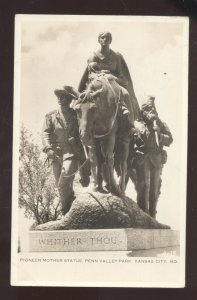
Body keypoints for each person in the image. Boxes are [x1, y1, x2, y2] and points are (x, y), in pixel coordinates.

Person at [42, 86, 90, 215]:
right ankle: (70, 208)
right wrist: (48, 149)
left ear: (69, 99)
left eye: (63, 96)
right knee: (61, 185)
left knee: (63, 182)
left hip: (72, 152)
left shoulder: (76, 115)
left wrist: (78, 138)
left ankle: (64, 212)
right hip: (56, 154)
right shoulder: (51, 115)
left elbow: (85, 128)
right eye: (58, 96)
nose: (59, 98)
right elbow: (45, 133)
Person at [79, 31, 140, 123]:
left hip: (113, 82)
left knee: (126, 94)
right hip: (96, 83)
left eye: (107, 38)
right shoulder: (93, 56)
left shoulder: (117, 56)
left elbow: (121, 75)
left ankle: (130, 125)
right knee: (82, 101)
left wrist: (112, 77)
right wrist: (102, 75)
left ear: (111, 40)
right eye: (102, 38)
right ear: (99, 40)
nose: (105, 40)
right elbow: (91, 74)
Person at [133, 95, 173, 219]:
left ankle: (152, 217)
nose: (151, 111)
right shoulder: (136, 124)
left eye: (152, 108)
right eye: (148, 108)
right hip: (143, 158)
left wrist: (159, 134)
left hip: (156, 159)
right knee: (144, 186)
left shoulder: (160, 124)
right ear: (143, 110)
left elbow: (170, 139)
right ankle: (144, 216)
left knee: (154, 190)